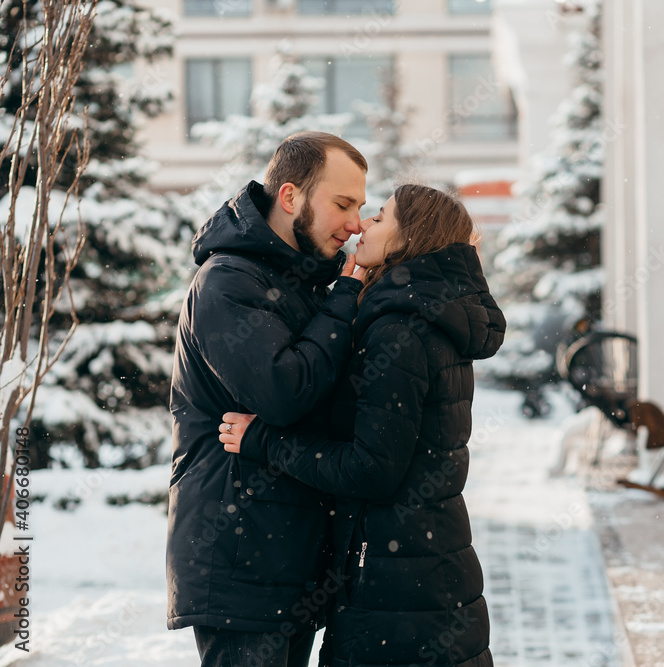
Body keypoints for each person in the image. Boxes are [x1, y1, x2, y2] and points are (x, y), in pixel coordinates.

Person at [219, 184, 506, 667]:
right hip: (422, 572)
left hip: (396, 593)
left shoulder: (400, 329)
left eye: (380, 217)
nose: (362, 225)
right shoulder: (428, 314)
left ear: (408, 238)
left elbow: (371, 468)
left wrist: (263, 441)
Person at [166, 132, 369, 667]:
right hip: (239, 560)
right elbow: (285, 393)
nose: (353, 223)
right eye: (342, 203)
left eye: (360, 208)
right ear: (290, 197)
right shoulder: (228, 282)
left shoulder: (298, 283)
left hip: (285, 557)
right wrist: (346, 298)